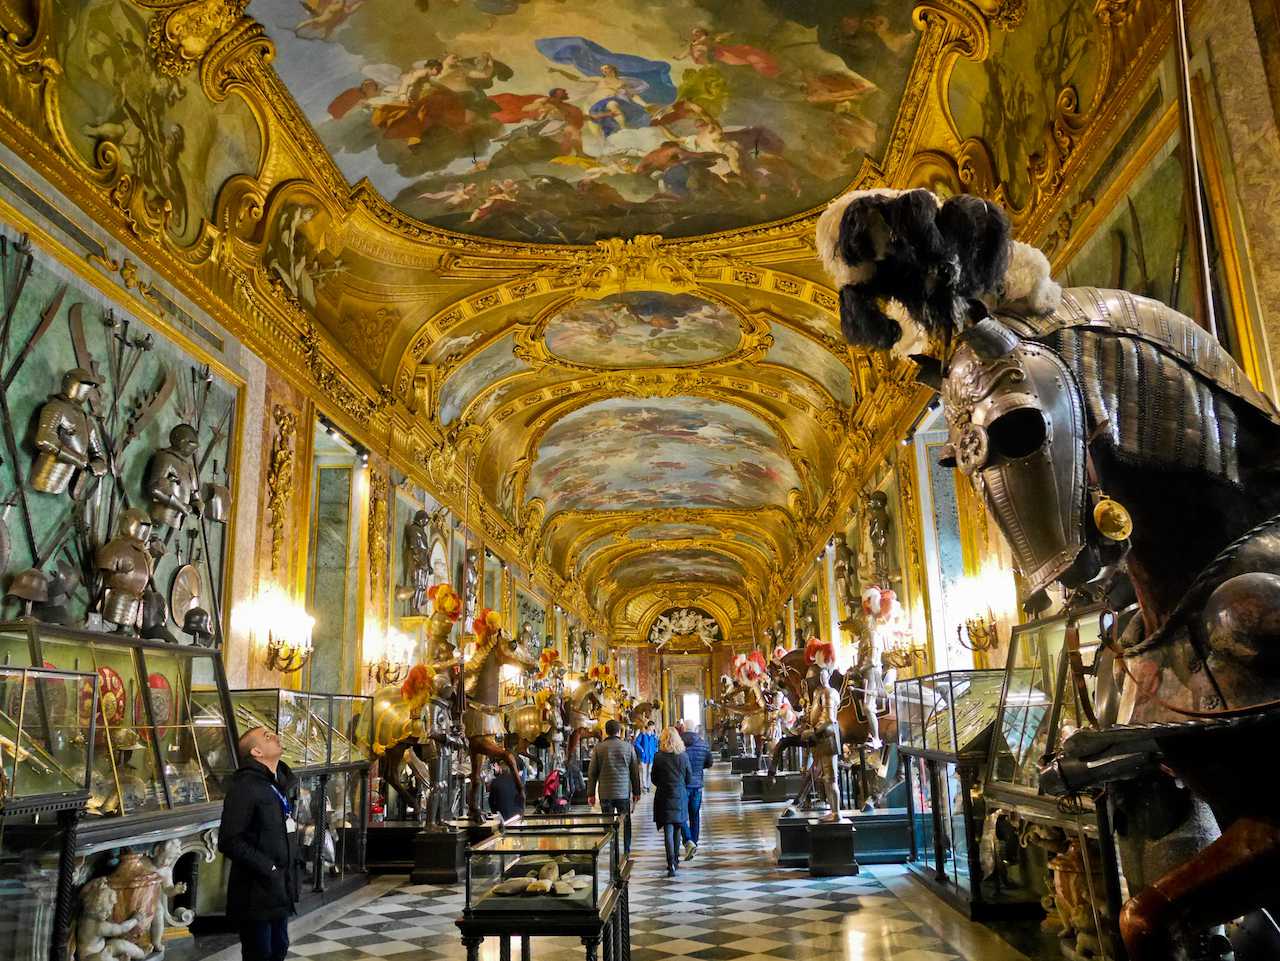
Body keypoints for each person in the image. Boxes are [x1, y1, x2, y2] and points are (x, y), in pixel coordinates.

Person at [218, 727, 300, 961]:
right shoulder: (245, 787)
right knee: (260, 953)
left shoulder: (277, 784)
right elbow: (229, 840)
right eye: (266, 736)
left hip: (278, 888)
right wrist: (269, 868)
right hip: (255, 892)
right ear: (256, 751)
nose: (274, 736)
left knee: (279, 948)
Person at [587, 718, 640, 853]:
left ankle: (612, 849)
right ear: (618, 731)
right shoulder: (628, 747)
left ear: (606, 732)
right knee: (626, 821)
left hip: (605, 793)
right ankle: (626, 849)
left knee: (607, 823)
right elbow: (634, 772)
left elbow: (592, 773)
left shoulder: (599, 748)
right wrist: (636, 792)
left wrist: (591, 794)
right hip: (622, 793)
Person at [651, 725, 692, 877]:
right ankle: (675, 860)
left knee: (667, 829)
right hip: (679, 795)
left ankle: (670, 864)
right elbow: (689, 777)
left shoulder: (658, 756)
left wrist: (663, 784)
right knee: (677, 828)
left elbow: (653, 778)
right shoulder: (683, 756)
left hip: (663, 795)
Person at [679, 719, 714, 856]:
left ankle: (688, 841)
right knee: (695, 815)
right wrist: (699, 769)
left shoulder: (678, 743)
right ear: (695, 729)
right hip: (697, 785)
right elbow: (709, 762)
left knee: (681, 815)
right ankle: (694, 841)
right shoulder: (702, 743)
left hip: (682, 784)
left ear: (683, 727)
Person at [635, 721, 658, 792]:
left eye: (653, 726)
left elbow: (656, 745)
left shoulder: (654, 736)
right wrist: (641, 750)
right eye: (651, 726)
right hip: (644, 756)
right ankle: (644, 786)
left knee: (650, 771)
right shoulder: (643, 734)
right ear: (648, 726)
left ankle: (648, 785)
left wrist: (655, 751)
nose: (652, 728)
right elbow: (636, 743)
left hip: (651, 756)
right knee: (644, 771)